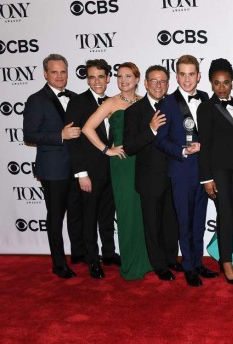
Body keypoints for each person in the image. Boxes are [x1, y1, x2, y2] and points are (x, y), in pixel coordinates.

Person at [82, 62, 152, 280]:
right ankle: (131, 263)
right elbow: (87, 128)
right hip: (122, 164)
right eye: (120, 76)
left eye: (128, 76)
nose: (124, 80)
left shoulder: (144, 102)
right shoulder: (111, 102)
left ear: (137, 79)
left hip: (143, 162)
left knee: (143, 212)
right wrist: (106, 149)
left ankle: (147, 260)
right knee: (127, 212)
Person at [155, 55, 217, 287]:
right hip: (181, 172)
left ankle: (199, 262)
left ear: (199, 76)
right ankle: (189, 266)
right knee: (185, 220)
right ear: (176, 76)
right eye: (182, 74)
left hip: (204, 172)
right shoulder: (167, 103)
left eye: (192, 74)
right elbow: (160, 140)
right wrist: (182, 150)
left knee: (199, 221)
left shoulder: (205, 98)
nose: (187, 79)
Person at [23, 54, 83, 278]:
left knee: (77, 213)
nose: (59, 76)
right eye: (54, 72)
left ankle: (79, 253)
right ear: (45, 74)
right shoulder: (36, 100)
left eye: (63, 72)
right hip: (53, 168)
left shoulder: (75, 97)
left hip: (76, 168)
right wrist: (60, 135)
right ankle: (58, 263)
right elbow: (29, 134)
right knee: (56, 217)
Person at [123, 65, 181, 281]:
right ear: (145, 83)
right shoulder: (134, 111)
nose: (158, 85)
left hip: (174, 175)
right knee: (152, 224)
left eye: (163, 81)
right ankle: (159, 265)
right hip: (149, 178)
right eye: (154, 81)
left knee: (171, 222)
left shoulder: (174, 106)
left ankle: (171, 259)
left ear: (168, 84)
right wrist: (151, 129)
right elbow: (129, 147)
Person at [65, 59, 120, 279]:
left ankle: (108, 253)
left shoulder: (113, 102)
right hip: (89, 172)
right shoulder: (78, 102)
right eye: (91, 77)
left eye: (100, 76)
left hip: (111, 170)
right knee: (89, 217)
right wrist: (81, 174)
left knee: (107, 215)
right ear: (87, 79)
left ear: (108, 78)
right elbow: (73, 140)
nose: (96, 81)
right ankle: (92, 259)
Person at [197, 58, 233, 285]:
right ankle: (225, 262)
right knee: (225, 215)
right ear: (210, 83)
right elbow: (204, 144)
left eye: (226, 82)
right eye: (217, 83)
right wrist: (207, 178)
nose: (222, 87)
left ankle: (230, 255)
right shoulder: (205, 108)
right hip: (219, 172)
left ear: (232, 82)